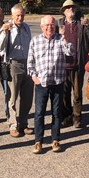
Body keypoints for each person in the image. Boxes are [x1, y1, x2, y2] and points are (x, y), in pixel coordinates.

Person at [28, 15, 73, 154]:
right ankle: (38, 141)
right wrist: (34, 77)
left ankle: (55, 140)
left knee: (57, 113)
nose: (49, 27)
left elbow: (70, 52)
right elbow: (30, 63)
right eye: (46, 25)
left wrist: (65, 37)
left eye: (52, 25)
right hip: (41, 83)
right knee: (39, 114)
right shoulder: (35, 41)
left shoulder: (60, 40)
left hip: (57, 82)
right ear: (42, 27)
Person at [0, 4, 34, 138]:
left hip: (27, 63)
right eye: (17, 15)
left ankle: (23, 122)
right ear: (12, 15)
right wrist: (4, 32)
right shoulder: (7, 28)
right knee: (12, 97)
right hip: (13, 64)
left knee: (27, 97)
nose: (20, 17)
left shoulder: (27, 27)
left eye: (22, 15)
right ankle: (12, 125)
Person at [58, 0, 89, 128]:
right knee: (64, 94)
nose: (71, 9)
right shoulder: (59, 24)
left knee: (77, 93)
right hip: (62, 65)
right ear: (64, 11)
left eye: (73, 7)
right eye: (68, 8)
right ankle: (67, 116)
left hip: (77, 64)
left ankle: (77, 117)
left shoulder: (82, 23)